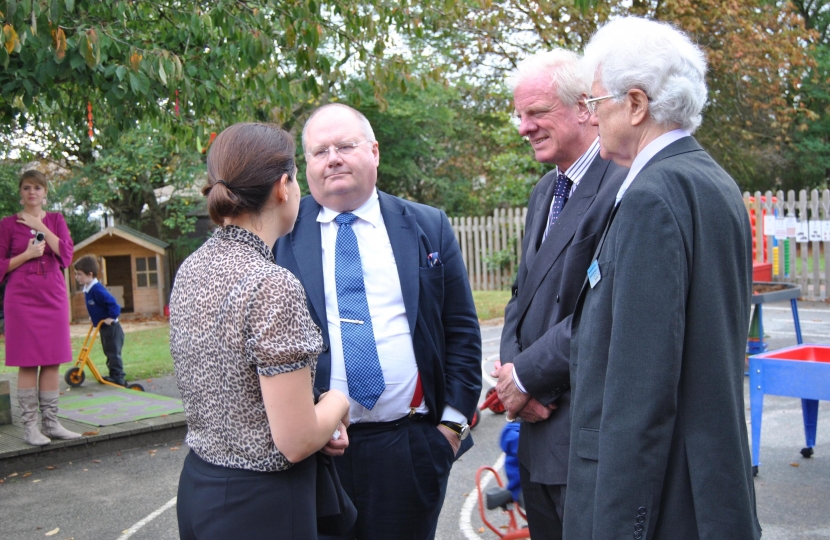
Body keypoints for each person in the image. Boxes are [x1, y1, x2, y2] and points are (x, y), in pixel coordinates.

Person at [563, 17, 761, 539]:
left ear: (635, 103)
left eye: (594, 100)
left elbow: (640, 390)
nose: (591, 115)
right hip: (702, 486)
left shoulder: (653, 195)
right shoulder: (711, 180)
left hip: (663, 501)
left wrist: (617, 526)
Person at [274, 103, 482, 540]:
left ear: (374, 151)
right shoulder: (280, 236)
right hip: (318, 455)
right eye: (319, 151)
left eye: (345, 146)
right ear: (305, 166)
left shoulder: (428, 225)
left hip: (411, 449)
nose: (333, 158)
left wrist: (451, 428)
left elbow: (461, 331)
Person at [169, 123, 353, 540]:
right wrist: (339, 398)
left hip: (199, 488)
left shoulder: (191, 269)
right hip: (259, 506)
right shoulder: (271, 283)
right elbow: (297, 440)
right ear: (283, 187)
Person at [492, 49, 627, 540]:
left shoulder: (622, 185)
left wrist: (528, 378)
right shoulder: (544, 192)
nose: (523, 127)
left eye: (536, 113)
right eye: (519, 114)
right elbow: (519, 298)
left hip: (584, 435)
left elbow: (606, 309)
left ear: (585, 108)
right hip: (534, 433)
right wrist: (512, 380)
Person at [0, 170, 80, 446]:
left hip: (53, 297)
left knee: (52, 359)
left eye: (36, 187)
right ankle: (30, 428)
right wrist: (26, 255)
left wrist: (40, 226)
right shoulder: (7, 224)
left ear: (45, 192)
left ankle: (52, 423)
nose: (31, 192)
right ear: (20, 193)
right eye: (26, 188)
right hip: (21, 299)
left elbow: (66, 255)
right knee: (27, 361)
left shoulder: (56, 220)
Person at [73, 255, 127, 386]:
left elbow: (114, 305)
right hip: (103, 327)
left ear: (90, 274)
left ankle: (118, 378)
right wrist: (94, 318)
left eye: (79, 274)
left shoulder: (97, 290)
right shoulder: (88, 289)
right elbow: (95, 306)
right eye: (76, 274)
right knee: (108, 351)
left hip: (112, 328)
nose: (76, 277)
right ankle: (112, 375)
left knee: (113, 353)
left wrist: (111, 318)